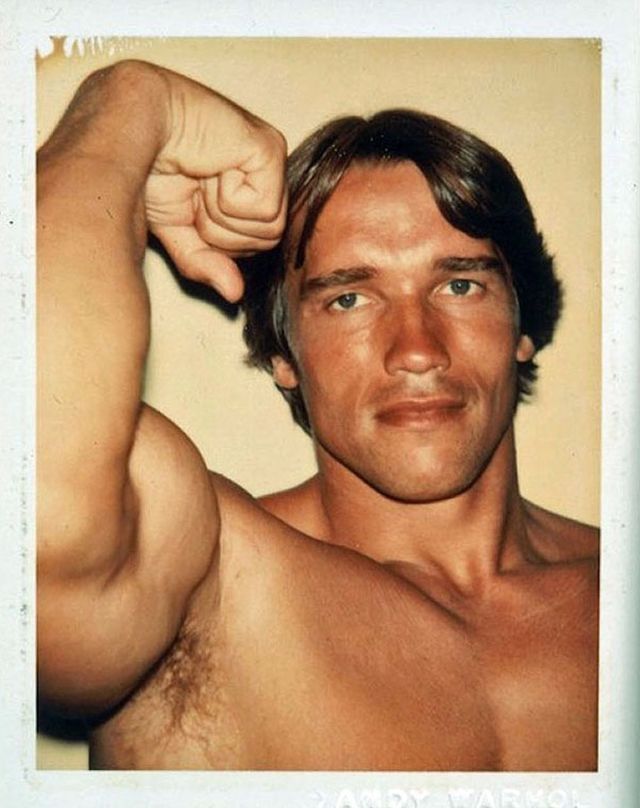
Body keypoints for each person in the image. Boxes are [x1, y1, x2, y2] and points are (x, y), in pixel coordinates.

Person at [37, 59, 599, 772]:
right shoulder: (210, 582)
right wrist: (126, 105)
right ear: (285, 357)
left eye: (460, 285)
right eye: (349, 299)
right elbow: (41, 531)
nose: (417, 351)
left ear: (521, 325)